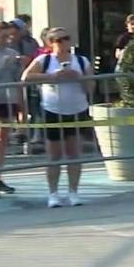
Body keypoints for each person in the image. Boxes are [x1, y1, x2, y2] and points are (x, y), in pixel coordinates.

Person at [21, 28, 94, 208]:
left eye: (66, 38)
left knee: (74, 154)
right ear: (51, 43)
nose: (64, 43)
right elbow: (26, 77)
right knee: (54, 155)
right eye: (59, 39)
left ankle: (73, 192)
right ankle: (53, 193)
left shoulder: (81, 61)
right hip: (53, 111)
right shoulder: (44, 60)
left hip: (77, 110)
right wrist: (52, 77)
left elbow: (91, 86)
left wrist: (78, 78)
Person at [0, 21, 22, 198]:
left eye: (10, 36)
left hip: (7, 100)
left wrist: (21, 106)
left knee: (1, 140)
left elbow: (18, 80)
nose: (8, 40)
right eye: (3, 36)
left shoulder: (12, 53)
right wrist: (2, 65)